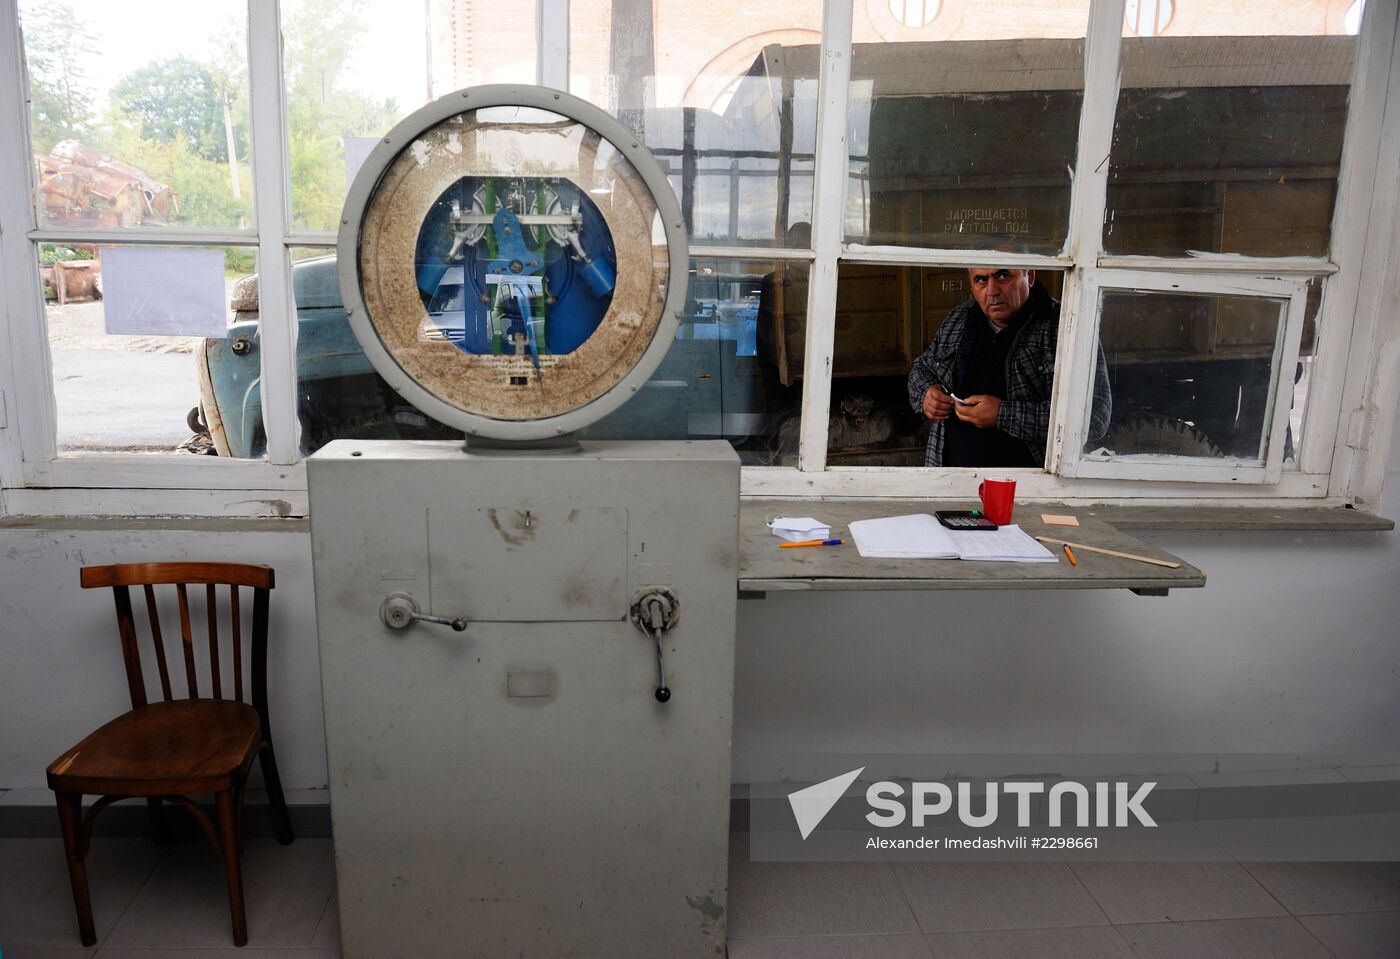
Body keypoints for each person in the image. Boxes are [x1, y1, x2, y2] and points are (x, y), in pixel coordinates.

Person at [907, 266, 1111, 467]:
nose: (992, 290)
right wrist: (926, 393)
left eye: (1003, 275)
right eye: (981, 280)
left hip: (1033, 491)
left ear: (1029, 276)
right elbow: (921, 368)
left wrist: (1002, 414)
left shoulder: (1066, 326)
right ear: (971, 284)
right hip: (952, 484)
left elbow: (1093, 419)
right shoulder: (960, 319)